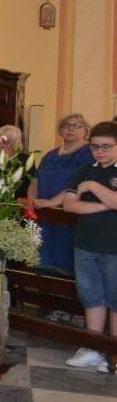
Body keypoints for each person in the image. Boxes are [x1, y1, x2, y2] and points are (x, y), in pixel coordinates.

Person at [61, 121, 117, 372]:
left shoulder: (91, 179)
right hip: (86, 244)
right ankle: (95, 348)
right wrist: (106, 204)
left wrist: (94, 188)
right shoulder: (84, 170)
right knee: (92, 297)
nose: (100, 152)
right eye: (95, 147)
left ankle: (114, 354)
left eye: (106, 147)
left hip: (114, 246)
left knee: (116, 300)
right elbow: (70, 205)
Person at [28, 113, 93, 274]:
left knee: (66, 266)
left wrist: (51, 203)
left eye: (77, 125)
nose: (70, 128)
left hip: (68, 217)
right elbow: (35, 181)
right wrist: (31, 202)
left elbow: (79, 184)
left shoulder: (88, 153)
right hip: (43, 214)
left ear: (85, 131)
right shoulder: (50, 155)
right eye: (66, 125)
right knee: (40, 264)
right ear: (60, 130)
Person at [0, 125, 33, 198]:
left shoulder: (25, 160)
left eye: (5, 142)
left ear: (17, 144)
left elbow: (21, 187)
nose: (1, 146)